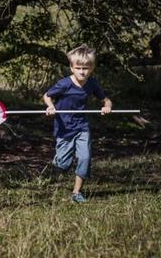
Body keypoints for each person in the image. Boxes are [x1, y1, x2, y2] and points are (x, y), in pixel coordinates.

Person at [42, 45, 112, 203]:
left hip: (82, 127)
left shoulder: (92, 84)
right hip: (64, 128)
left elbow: (106, 100)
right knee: (62, 164)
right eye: (78, 68)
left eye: (86, 68)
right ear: (71, 67)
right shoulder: (64, 84)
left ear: (92, 68)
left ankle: (76, 193)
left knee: (85, 158)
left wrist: (107, 107)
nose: (82, 71)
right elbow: (46, 96)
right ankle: (59, 161)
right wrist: (51, 106)